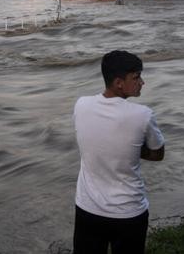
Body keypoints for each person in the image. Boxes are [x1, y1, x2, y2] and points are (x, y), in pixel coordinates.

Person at [73, 50, 165, 254]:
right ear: (118, 82)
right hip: (128, 212)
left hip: (88, 208)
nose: (142, 82)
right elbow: (158, 154)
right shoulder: (143, 115)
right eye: (136, 77)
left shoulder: (81, 105)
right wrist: (129, 148)